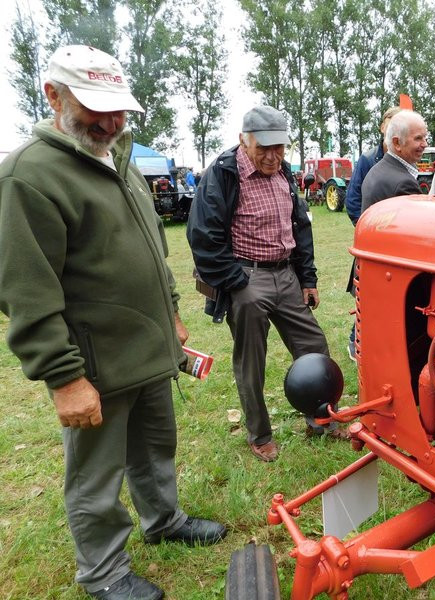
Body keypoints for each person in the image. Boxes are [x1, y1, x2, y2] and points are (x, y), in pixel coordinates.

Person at [0, 45, 225, 600]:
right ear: (53, 96)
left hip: (149, 347)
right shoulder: (28, 176)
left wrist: (172, 313)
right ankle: (102, 572)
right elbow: (26, 291)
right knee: (95, 476)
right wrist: (64, 377)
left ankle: (163, 520)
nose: (110, 121)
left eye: (118, 108)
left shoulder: (119, 159)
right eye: (94, 107)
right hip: (95, 363)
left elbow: (152, 250)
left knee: (155, 446)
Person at [187, 105, 345, 465]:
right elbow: (203, 236)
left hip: (286, 274)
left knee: (314, 345)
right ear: (244, 140)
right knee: (251, 362)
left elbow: (299, 227)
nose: (273, 156)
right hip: (247, 276)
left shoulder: (284, 172)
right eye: (265, 148)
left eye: (280, 148)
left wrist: (307, 278)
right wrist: (237, 282)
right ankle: (260, 434)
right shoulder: (223, 173)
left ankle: (321, 419)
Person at [343, 106, 400, 360]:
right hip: (374, 240)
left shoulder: (406, 159)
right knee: (367, 291)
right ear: (382, 127)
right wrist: (367, 230)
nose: (394, 126)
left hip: (396, 240)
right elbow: (353, 199)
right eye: (390, 121)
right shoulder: (368, 159)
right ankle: (355, 340)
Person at [361, 109, 428, 212]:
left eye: (425, 138)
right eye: (418, 138)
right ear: (397, 143)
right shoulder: (404, 184)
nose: (425, 144)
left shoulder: (375, 171)